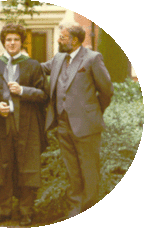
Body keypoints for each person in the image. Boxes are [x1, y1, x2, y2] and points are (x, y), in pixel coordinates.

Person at [41, 22, 114, 220]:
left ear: (74, 41)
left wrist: (93, 112)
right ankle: (75, 209)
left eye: (62, 37)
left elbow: (107, 90)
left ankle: (89, 211)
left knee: (89, 170)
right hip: (63, 125)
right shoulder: (57, 58)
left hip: (87, 126)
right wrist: (11, 63)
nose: (58, 40)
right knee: (72, 170)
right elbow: (38, 69)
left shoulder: (92, 58)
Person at [0, 23, 48, 226]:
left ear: (21, 42)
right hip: (0, 125)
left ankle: (26, 211)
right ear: (3, 42)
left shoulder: (33, 65)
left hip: (27, 125)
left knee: (27, 167)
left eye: (16, 39)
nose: (12, 43)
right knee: (2, 167)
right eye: (8, 39)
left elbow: (45, 95)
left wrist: (23, 91)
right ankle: (5, 210)